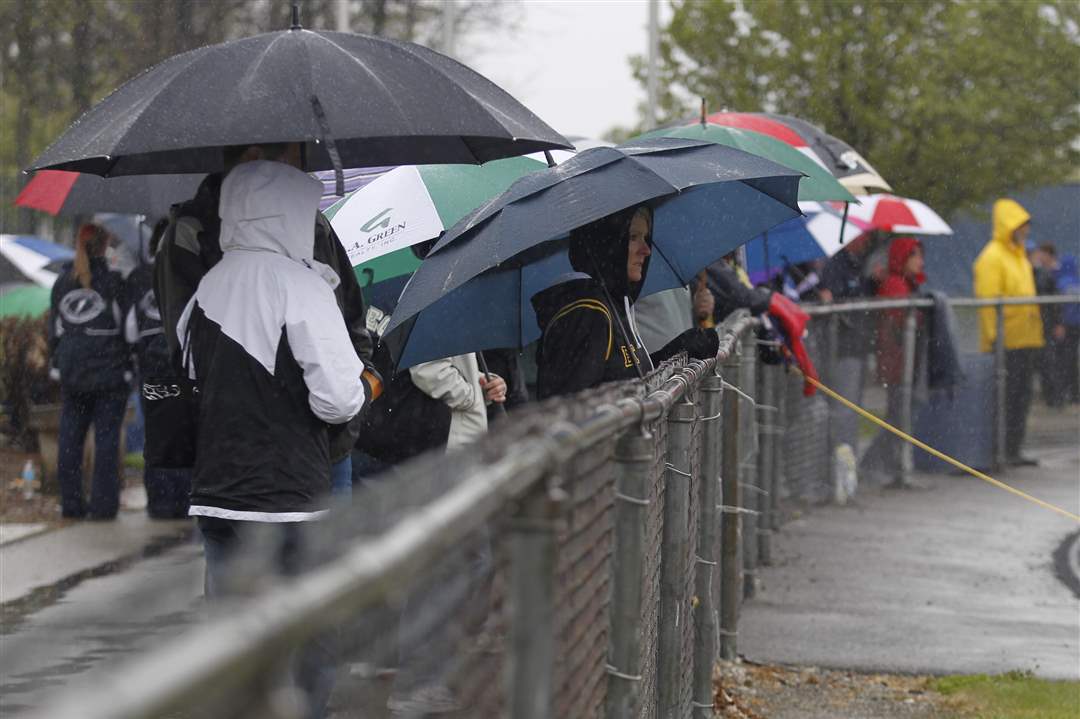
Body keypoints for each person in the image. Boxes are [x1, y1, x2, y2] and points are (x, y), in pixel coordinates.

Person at [178, 159, 377, 719]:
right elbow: (338, 400)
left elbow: (192, 379)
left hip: (216, 493)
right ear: (285, 213)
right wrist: (365, 384)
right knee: (310, 638)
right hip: (293, 499)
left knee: (232, 641)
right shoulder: (302, 285)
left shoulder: (205, 288)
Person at [154, 143, 373, 500]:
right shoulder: (192, 232)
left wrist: (350, 411)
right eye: (297, 157)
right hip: (240, 462)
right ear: (256, 158)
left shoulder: (313, 224)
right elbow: (185, 350)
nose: (306, 169)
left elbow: (350, 321)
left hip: (319, 452)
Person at [48, 223, 132, 520]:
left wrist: (58, 364)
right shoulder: (113, 281)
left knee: (70, 438)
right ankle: (103, 506)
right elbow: (128, 330)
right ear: (106, 241)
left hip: (73, 372)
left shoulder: (62, 282)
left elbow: (55, 330)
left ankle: (71, 504)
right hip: (109, 372)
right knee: (106, 441)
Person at [126, 219, 190, 518]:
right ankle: (182, 498)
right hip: (181, 365)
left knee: (156, 434)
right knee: (183, 429)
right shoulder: (186, 269)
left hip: (150, 369)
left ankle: (160, 502)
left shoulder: (139, 277)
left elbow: (129, 329)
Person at [973, 199, 1043, 466]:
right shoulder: (992, 258)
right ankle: (997, 450)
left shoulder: (1020, 257)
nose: (1025, 230)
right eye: (1021, 225)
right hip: (1006, 342)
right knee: (1005, 399)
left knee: (1021, 398)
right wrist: (993, 338)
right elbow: (988, 303)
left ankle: (1013, 449)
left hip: (1026, 339)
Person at [861, 237, 925, 487]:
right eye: (915, 256)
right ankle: (877, 465)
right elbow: (895, 325)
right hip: (898, 364)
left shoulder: (908, 284)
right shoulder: (895, 285)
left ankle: (887, 466)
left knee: (901, 414)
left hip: (906, 363)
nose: (921, 262)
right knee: (898, 416)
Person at [1029, 243, 1066, 406]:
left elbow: (1055, 301)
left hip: (1046, 325)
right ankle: (1048, 396)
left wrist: (1058, 323)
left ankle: (1055, 398)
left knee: (1049, 362)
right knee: (1037, 363)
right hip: (1032, 326)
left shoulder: (1045, 274)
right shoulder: (1028, 272)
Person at [1056, 255, 1080, 404]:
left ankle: (1068, 392)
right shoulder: (1076, 282)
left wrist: (1060, 324)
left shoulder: (1061, 282)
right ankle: (1075, 393)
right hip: (1075, 324)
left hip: (1067, 326)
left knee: (1066, 360)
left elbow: (1059, 307)